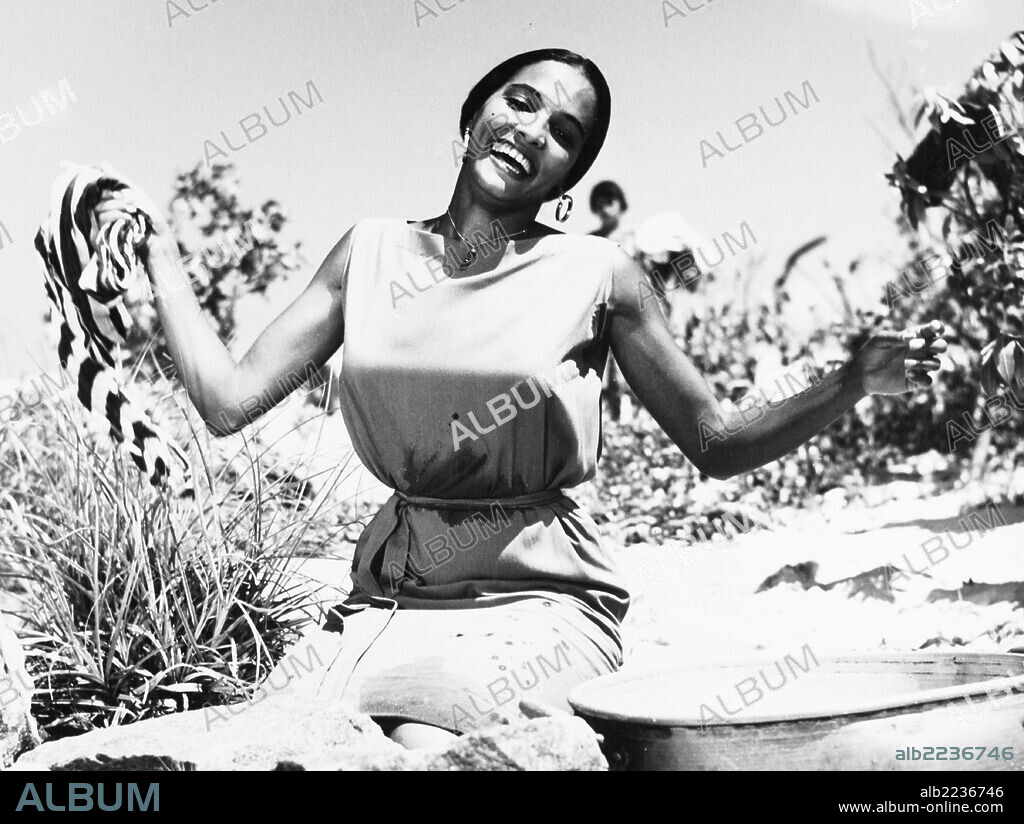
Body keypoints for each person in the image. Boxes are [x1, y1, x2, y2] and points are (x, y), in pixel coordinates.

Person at [94, 48, 946, 748]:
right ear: (472, 118)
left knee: (422, 750)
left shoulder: (599, 274)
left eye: (565, 133)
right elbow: (229, 401)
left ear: (569, 173)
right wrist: (160, 251)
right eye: (522, 101)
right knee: (278, 744)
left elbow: (715, 441)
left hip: (536, 603)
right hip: (388, 597)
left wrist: (852, 381)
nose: (534, 131)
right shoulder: (370, 252)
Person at [588, 180, 632, 419]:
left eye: (609, 202)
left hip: (628, 315)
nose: (605, 208)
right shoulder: (590, 241)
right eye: (599, 203)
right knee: (601, 376)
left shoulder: (634, 240)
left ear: (620, 205)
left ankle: (628, 425)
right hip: (599, 315)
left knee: (627, 378)